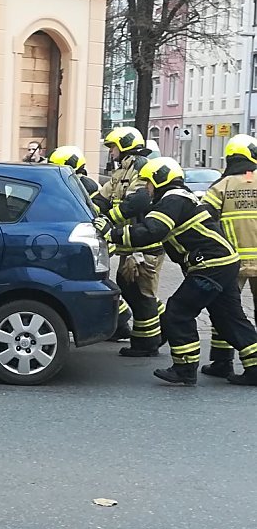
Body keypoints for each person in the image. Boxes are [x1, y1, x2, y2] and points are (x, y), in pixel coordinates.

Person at [96, 157, 257, 386]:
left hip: (210, 266)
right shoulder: (179, 197)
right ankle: (254, 368)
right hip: (224, 262)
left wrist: (111, 233)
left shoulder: (172, 199)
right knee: (230, 318)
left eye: (148, 183)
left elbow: (153, 231)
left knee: (178, 311)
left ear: (160, 179)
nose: (147, 189)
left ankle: (185, 368)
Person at [48, 145, 133, 341]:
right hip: (92, 240)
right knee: (98, 282)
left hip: (91, 241)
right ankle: (119, 323)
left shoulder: (79, 184)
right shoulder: (82, 182)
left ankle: (120, 321)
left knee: (94, 283)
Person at [98, 127, 166, 357]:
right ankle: (160, 327)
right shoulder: (121, 172)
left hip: (144, 244)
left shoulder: (141, 167)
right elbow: (102, 198)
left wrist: (110, 218)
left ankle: (147, 343)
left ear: (125, 144)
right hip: (131, 245)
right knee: (130, 288)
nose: (110, 152)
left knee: (142, 294)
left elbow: (139, 200)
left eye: (113, 147)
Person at [198, 134, 257, 378]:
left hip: (231, 261)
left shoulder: (221, 186)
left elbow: (203, 218)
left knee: (225, 311)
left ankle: (222, 362)